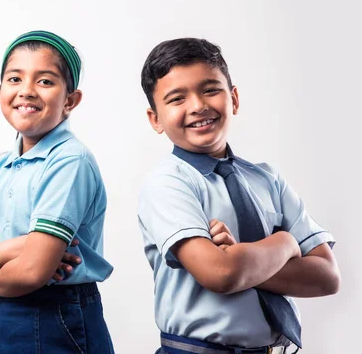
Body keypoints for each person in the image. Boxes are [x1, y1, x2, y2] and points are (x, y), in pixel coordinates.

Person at [137, 37, 341, 354]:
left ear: (233, 98)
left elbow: (327, 276)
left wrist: (244, 260)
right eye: (177, 98)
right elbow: (220, 273)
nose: (198, 105)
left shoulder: (267, 179)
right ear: (156, 119)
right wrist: (284, 244)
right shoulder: (168, 184)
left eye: (210, 90)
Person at [0, 30, 115, 353]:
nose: (26, 91)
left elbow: (32, 272)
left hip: (62, 319)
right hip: (4, 316)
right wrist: (17, 248)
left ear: (70, 100)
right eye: (15, 79)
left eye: (45, 81)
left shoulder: (70, 161)